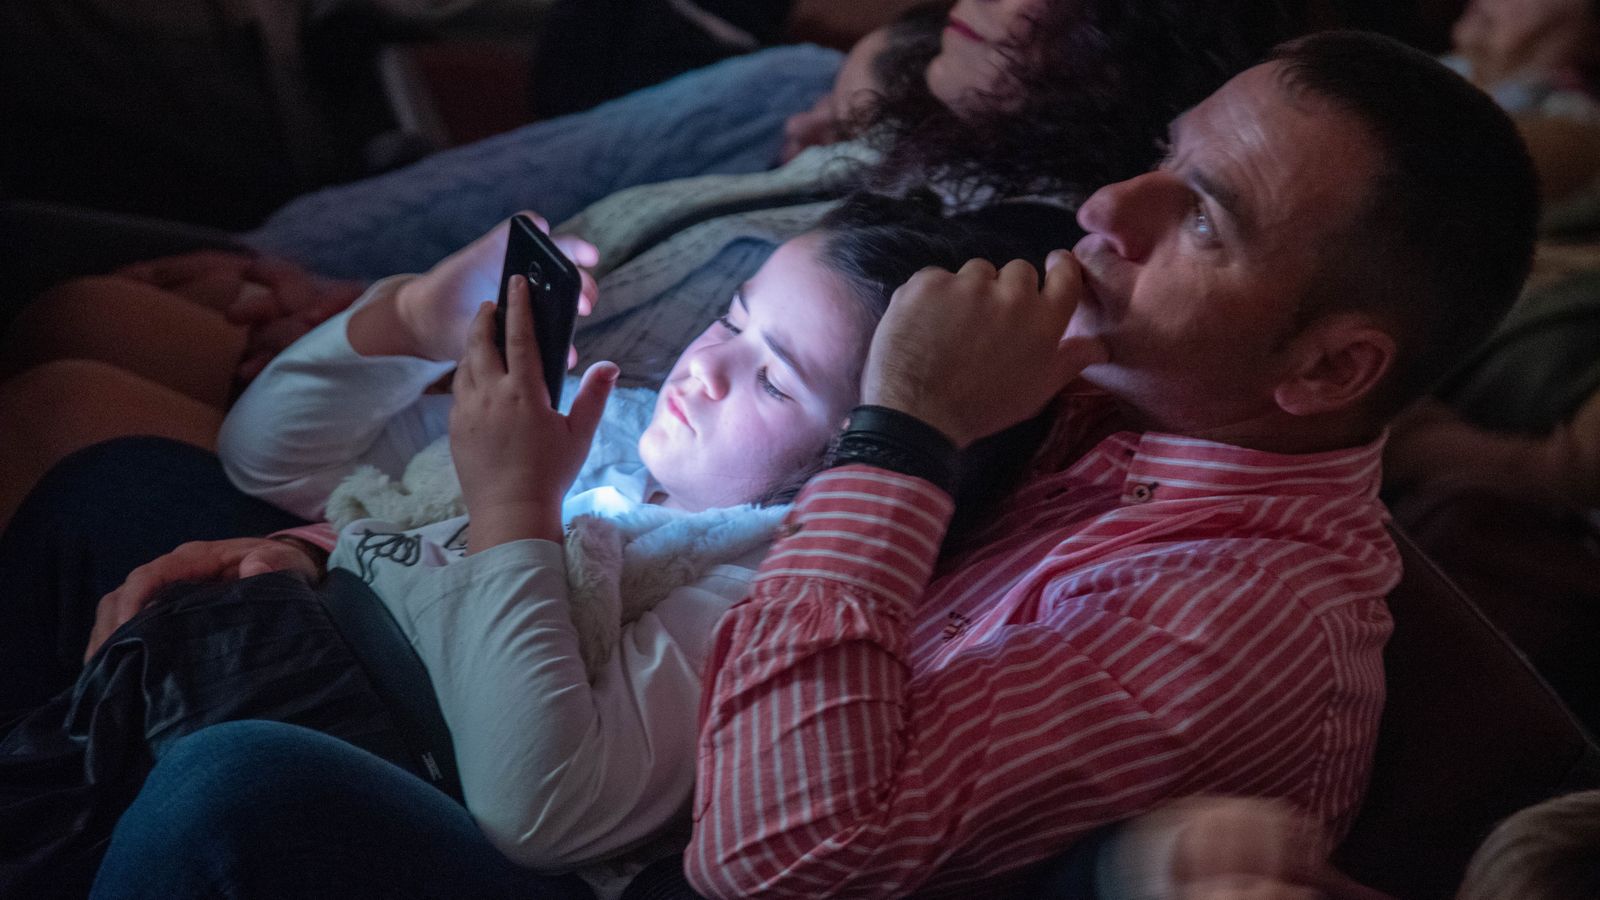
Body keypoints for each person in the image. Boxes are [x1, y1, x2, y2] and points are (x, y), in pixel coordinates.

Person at [71, 27, 1543, 900]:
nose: (1112, 204)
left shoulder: (1239, 617)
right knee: (121, 498)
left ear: (1331, 369)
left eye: (1202, 217)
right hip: (567, 698)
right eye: (1159, 153)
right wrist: (357, 560)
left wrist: (898, 435)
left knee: (234, 792)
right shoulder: (1113, 386)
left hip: (622, 842)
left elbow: (764, 861)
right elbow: (651, 504)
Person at [0, 196, 1077, 898]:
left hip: (367, 753)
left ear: (850, 461)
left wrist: (512, 496)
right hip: (244, 653)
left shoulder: (750, 587)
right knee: (105, 485)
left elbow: (540, 804)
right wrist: (418, 318)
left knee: (194, 790)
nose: (708, 366)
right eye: (733, 321)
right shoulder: (613, 425)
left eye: (774, 377)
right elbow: (267, 459)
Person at [0, 0, 1303, 531]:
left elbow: (682, 406)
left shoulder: (984, 256)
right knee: (82, 308)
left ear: (1129, 50)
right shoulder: (867, 113)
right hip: (433, 357)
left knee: (73, 390)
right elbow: (563, 237)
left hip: (505, 467)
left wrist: (383, 331)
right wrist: (352, 303)